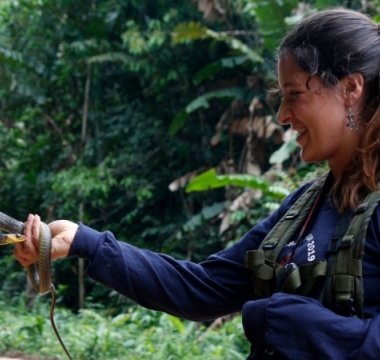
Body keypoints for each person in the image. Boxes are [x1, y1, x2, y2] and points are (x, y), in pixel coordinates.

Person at [13, 8, 380, 360]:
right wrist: (85, 242)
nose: (283, 115)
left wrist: (286, 321)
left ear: (351, 88)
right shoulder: (306, 207)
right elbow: (203, 288)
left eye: (295, 94)